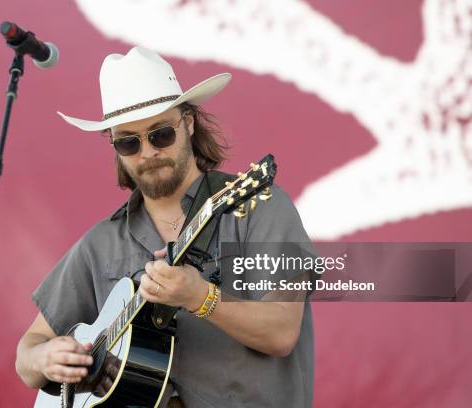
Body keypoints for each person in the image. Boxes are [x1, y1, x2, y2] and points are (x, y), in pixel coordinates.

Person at [16, 46, 315, 408]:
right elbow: (27, 356)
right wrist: (45, 358)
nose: (147, 152)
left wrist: (201, 298)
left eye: (160, 134)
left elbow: (282, 331)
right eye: (128, 142)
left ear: (188, 123)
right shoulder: (101, 243)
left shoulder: (258, 208)